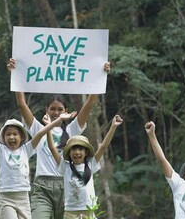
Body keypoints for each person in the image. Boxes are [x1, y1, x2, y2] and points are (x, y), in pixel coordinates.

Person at [7, 58, 111, 219]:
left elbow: (89, 104)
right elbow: (22, 104)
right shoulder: (38, 129)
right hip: (42, 186)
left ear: (66, 111)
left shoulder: (72, 129)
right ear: (46, 110)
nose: (56, 112)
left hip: (67, 186)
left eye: (60, 109)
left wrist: (101, 75)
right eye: (52, 109)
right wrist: (15, 73)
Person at [46, 114, 123, 219]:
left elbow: (104, 146)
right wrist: (48, 126)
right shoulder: (65, 166)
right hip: (70, 213)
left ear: (86, 152)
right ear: (69, 152)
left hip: (89, 212)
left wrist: (113, 126)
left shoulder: (91, 164)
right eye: (74, 149)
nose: (77, 152)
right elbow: (51, 147)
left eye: (80, 149)